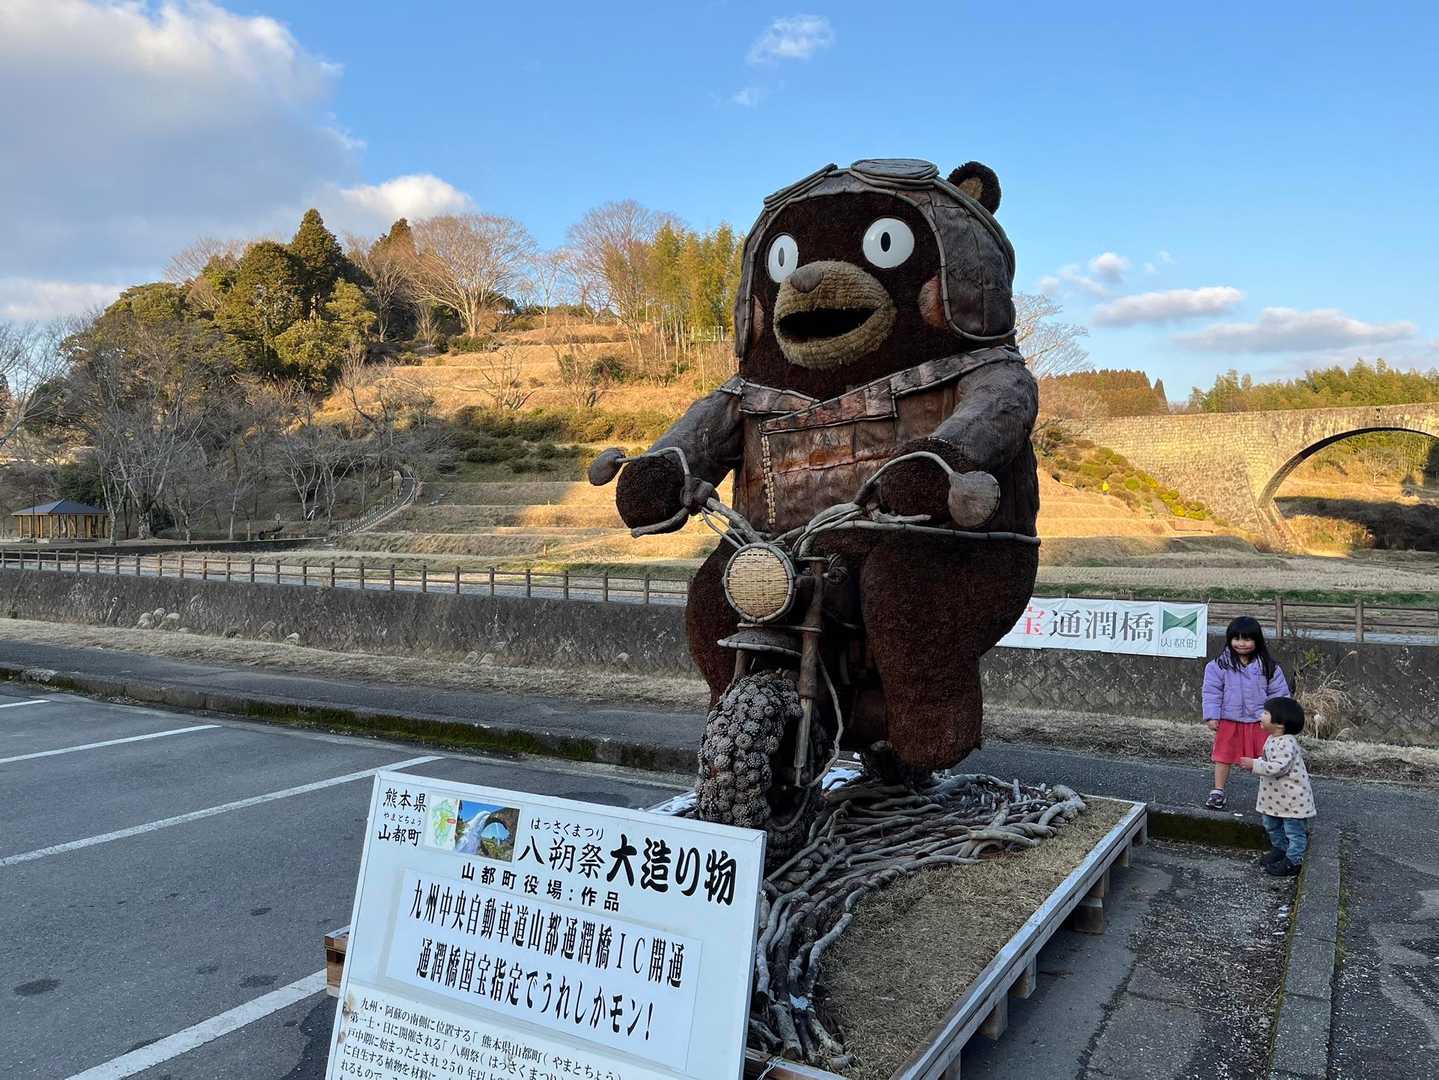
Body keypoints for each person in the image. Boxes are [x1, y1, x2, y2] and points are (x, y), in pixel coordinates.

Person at [1201, 615, 1289, 809]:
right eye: (1236, 638)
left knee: (1267, 757)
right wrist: (1212, 716)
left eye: (1247, 639)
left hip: (1261, 722)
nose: (1241, 644)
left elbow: (1279, 695)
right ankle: (1218, 791)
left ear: (1257, 640)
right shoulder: (1218, 666)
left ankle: (1274, 793)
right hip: (1229, 720)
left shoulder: (1269, 667)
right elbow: (1211, 692)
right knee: (1223, 756)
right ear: (1229, 639)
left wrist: (1278, 719)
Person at [1240, 697, 1316, 876]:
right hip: (1275, 797)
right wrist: (1257, 763)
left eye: (1266, 713)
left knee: (1293, 830)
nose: (1261, 716)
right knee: (1271, 824)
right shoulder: (1272, 739)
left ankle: (1294, 860)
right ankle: (1280, 849)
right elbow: (1269, 761)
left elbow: (1279, 767)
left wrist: (1254, 764)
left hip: (1292, 798)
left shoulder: (1287, 742)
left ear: (1280, 724)